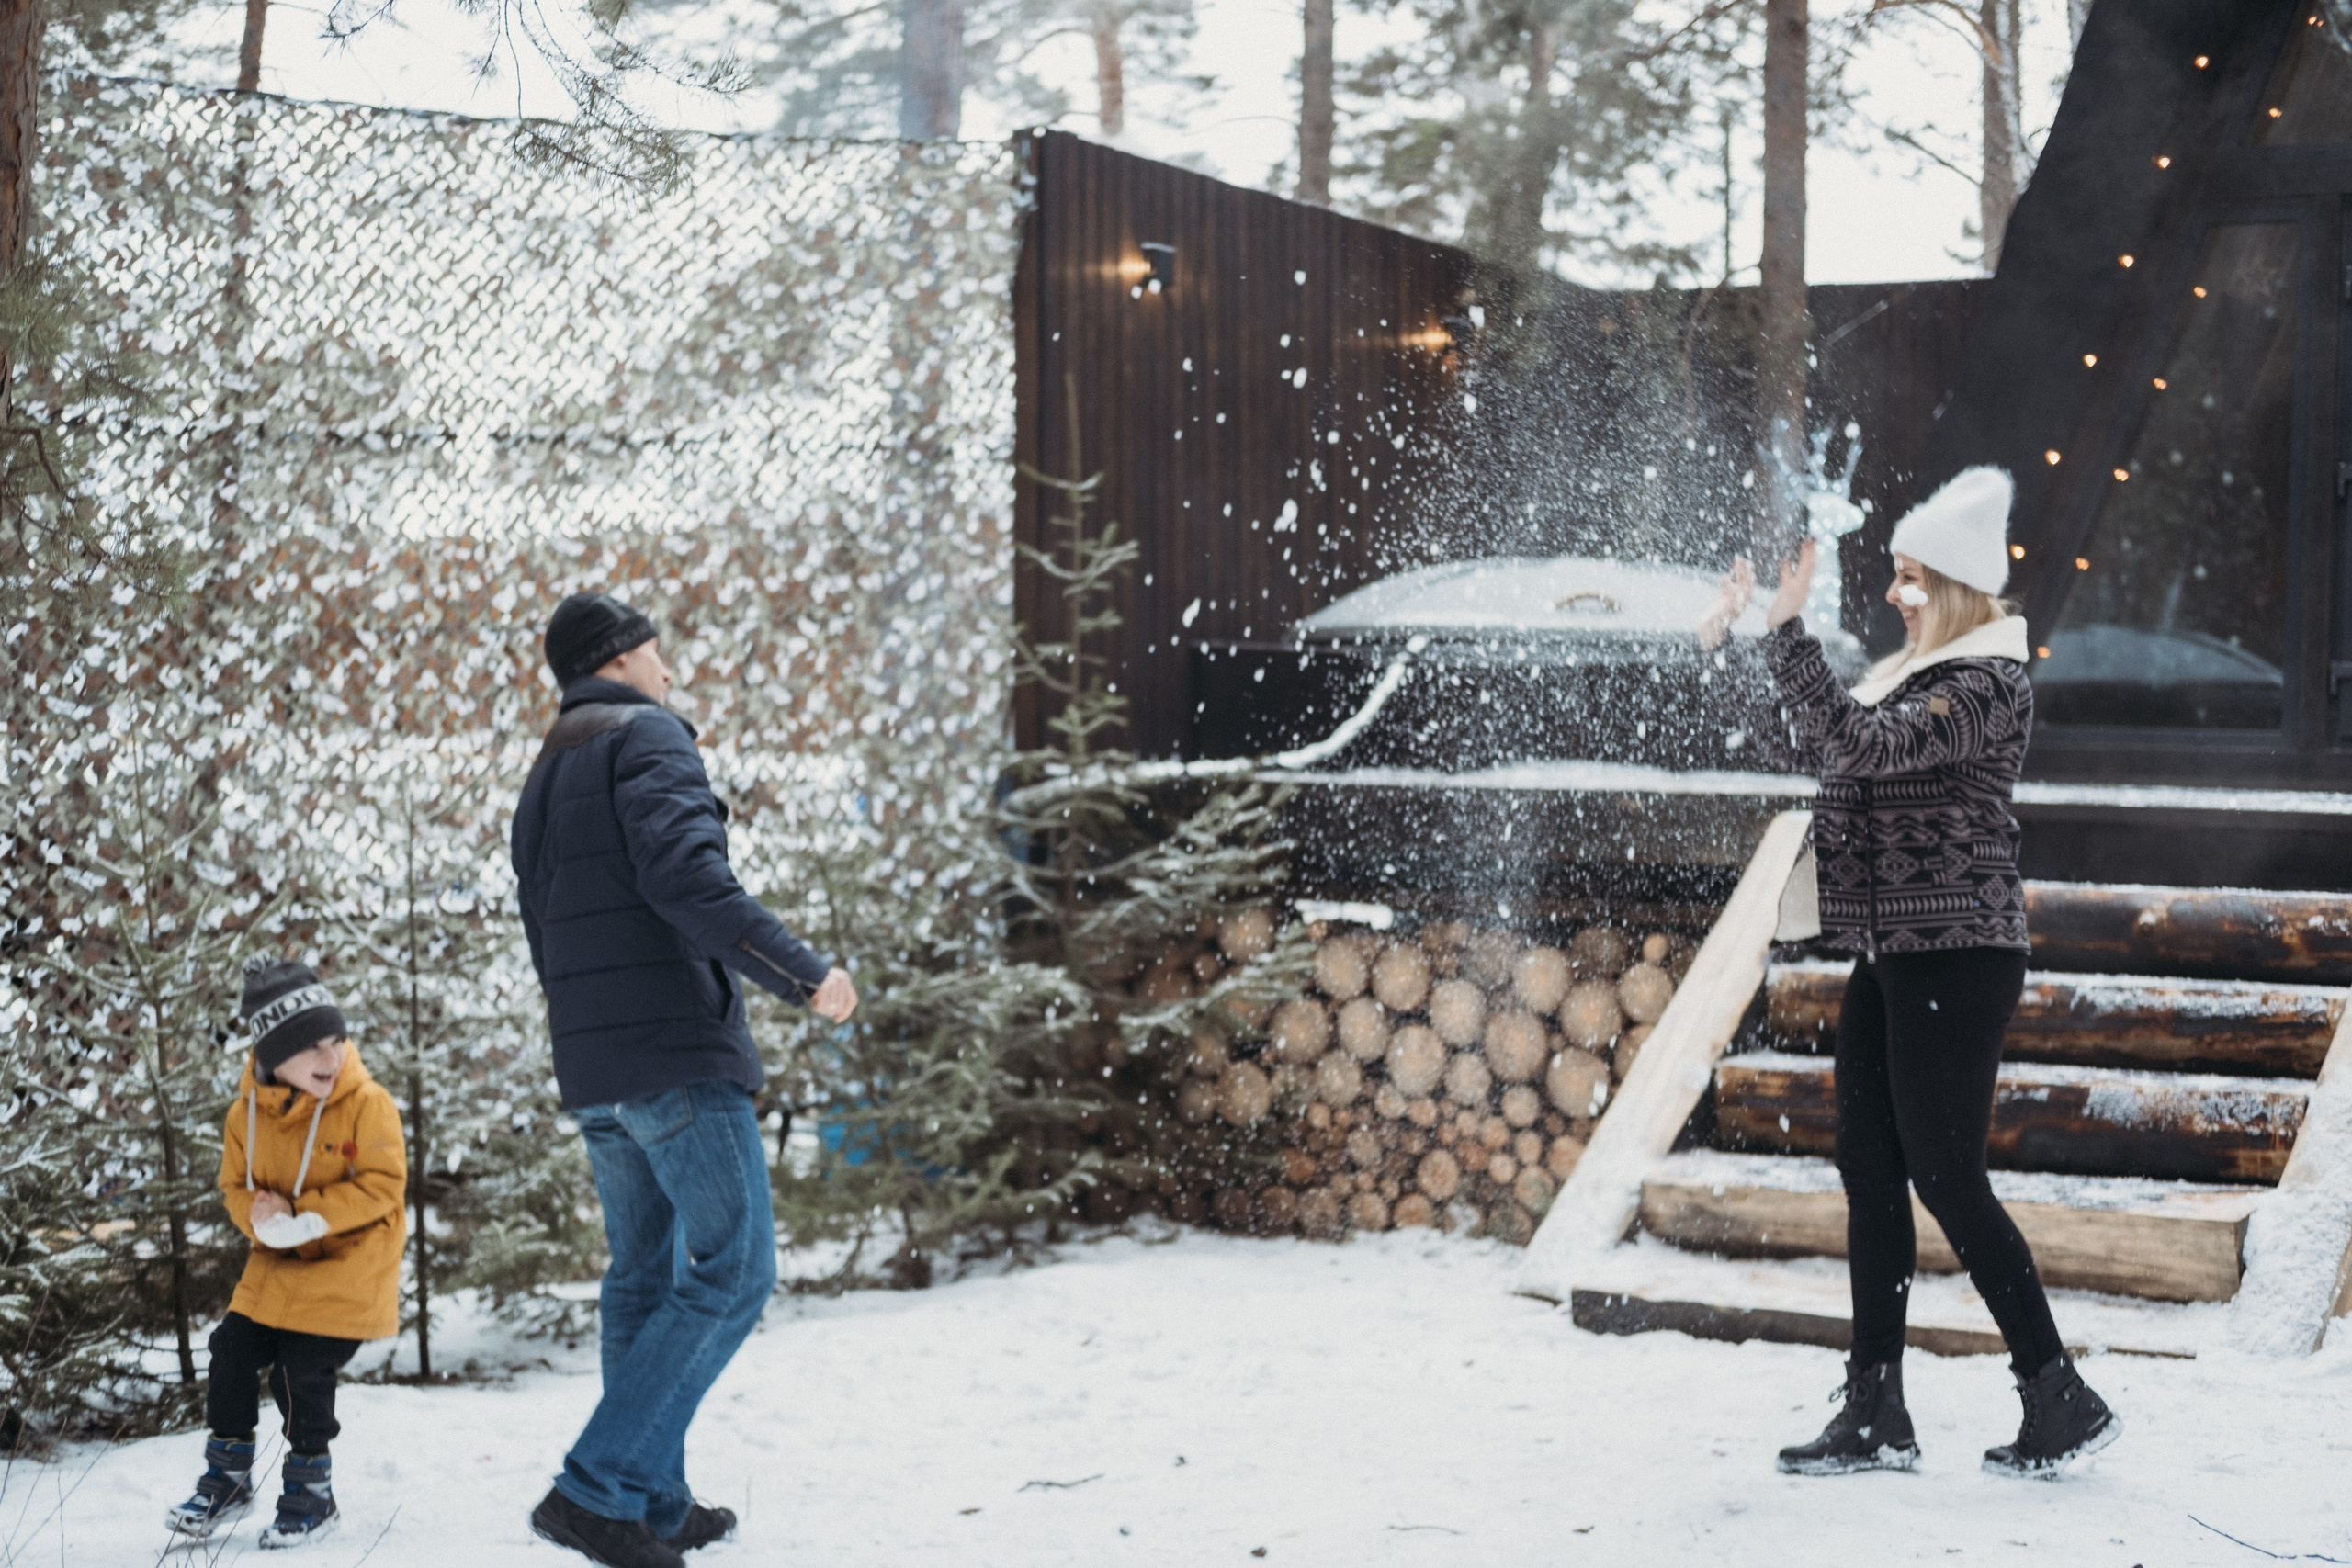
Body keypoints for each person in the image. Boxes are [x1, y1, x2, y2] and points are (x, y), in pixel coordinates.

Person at [1700, 468, 2120, 1480]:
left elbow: (1856, 743)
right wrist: (1736, 638)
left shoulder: (1985, 686)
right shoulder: (1914, 675)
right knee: (1870, 1168)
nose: (1895, 593)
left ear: (1958, 586)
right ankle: (1876, 1407)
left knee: (1946, 1176)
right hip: (1893, 954)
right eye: (1893, 574)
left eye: (1912, 577)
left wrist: (1789, 631)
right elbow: (1817, 743)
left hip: (1959, 956)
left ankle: (2056, 1390)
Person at [514, 592, 858, 1568]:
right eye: (658, 651)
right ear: (621, 655)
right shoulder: (649, 736)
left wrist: (589, 1041)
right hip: (670, 1054)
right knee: (736, 1268)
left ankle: (649, 1502)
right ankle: (594, 1490)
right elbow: (689, 882)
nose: (669, 669)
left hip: (598, 1065)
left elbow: (542, 922)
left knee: (642, 1274)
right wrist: (806, 974)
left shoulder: (548, 767)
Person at [166, 956, 408, 1548]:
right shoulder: (244, 1116)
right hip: (278, 1264)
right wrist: (257, 1216)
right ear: (273, 1055)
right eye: (313, 1047)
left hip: (348, 1264)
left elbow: (384, 1185)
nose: (332, 1057)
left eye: (337, 1041)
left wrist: (305, 1213)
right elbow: (235, 1185)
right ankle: (227, 1475)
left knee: (300, 1371)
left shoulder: (367, 1103)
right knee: (230, 1350)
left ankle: (311, 1491)